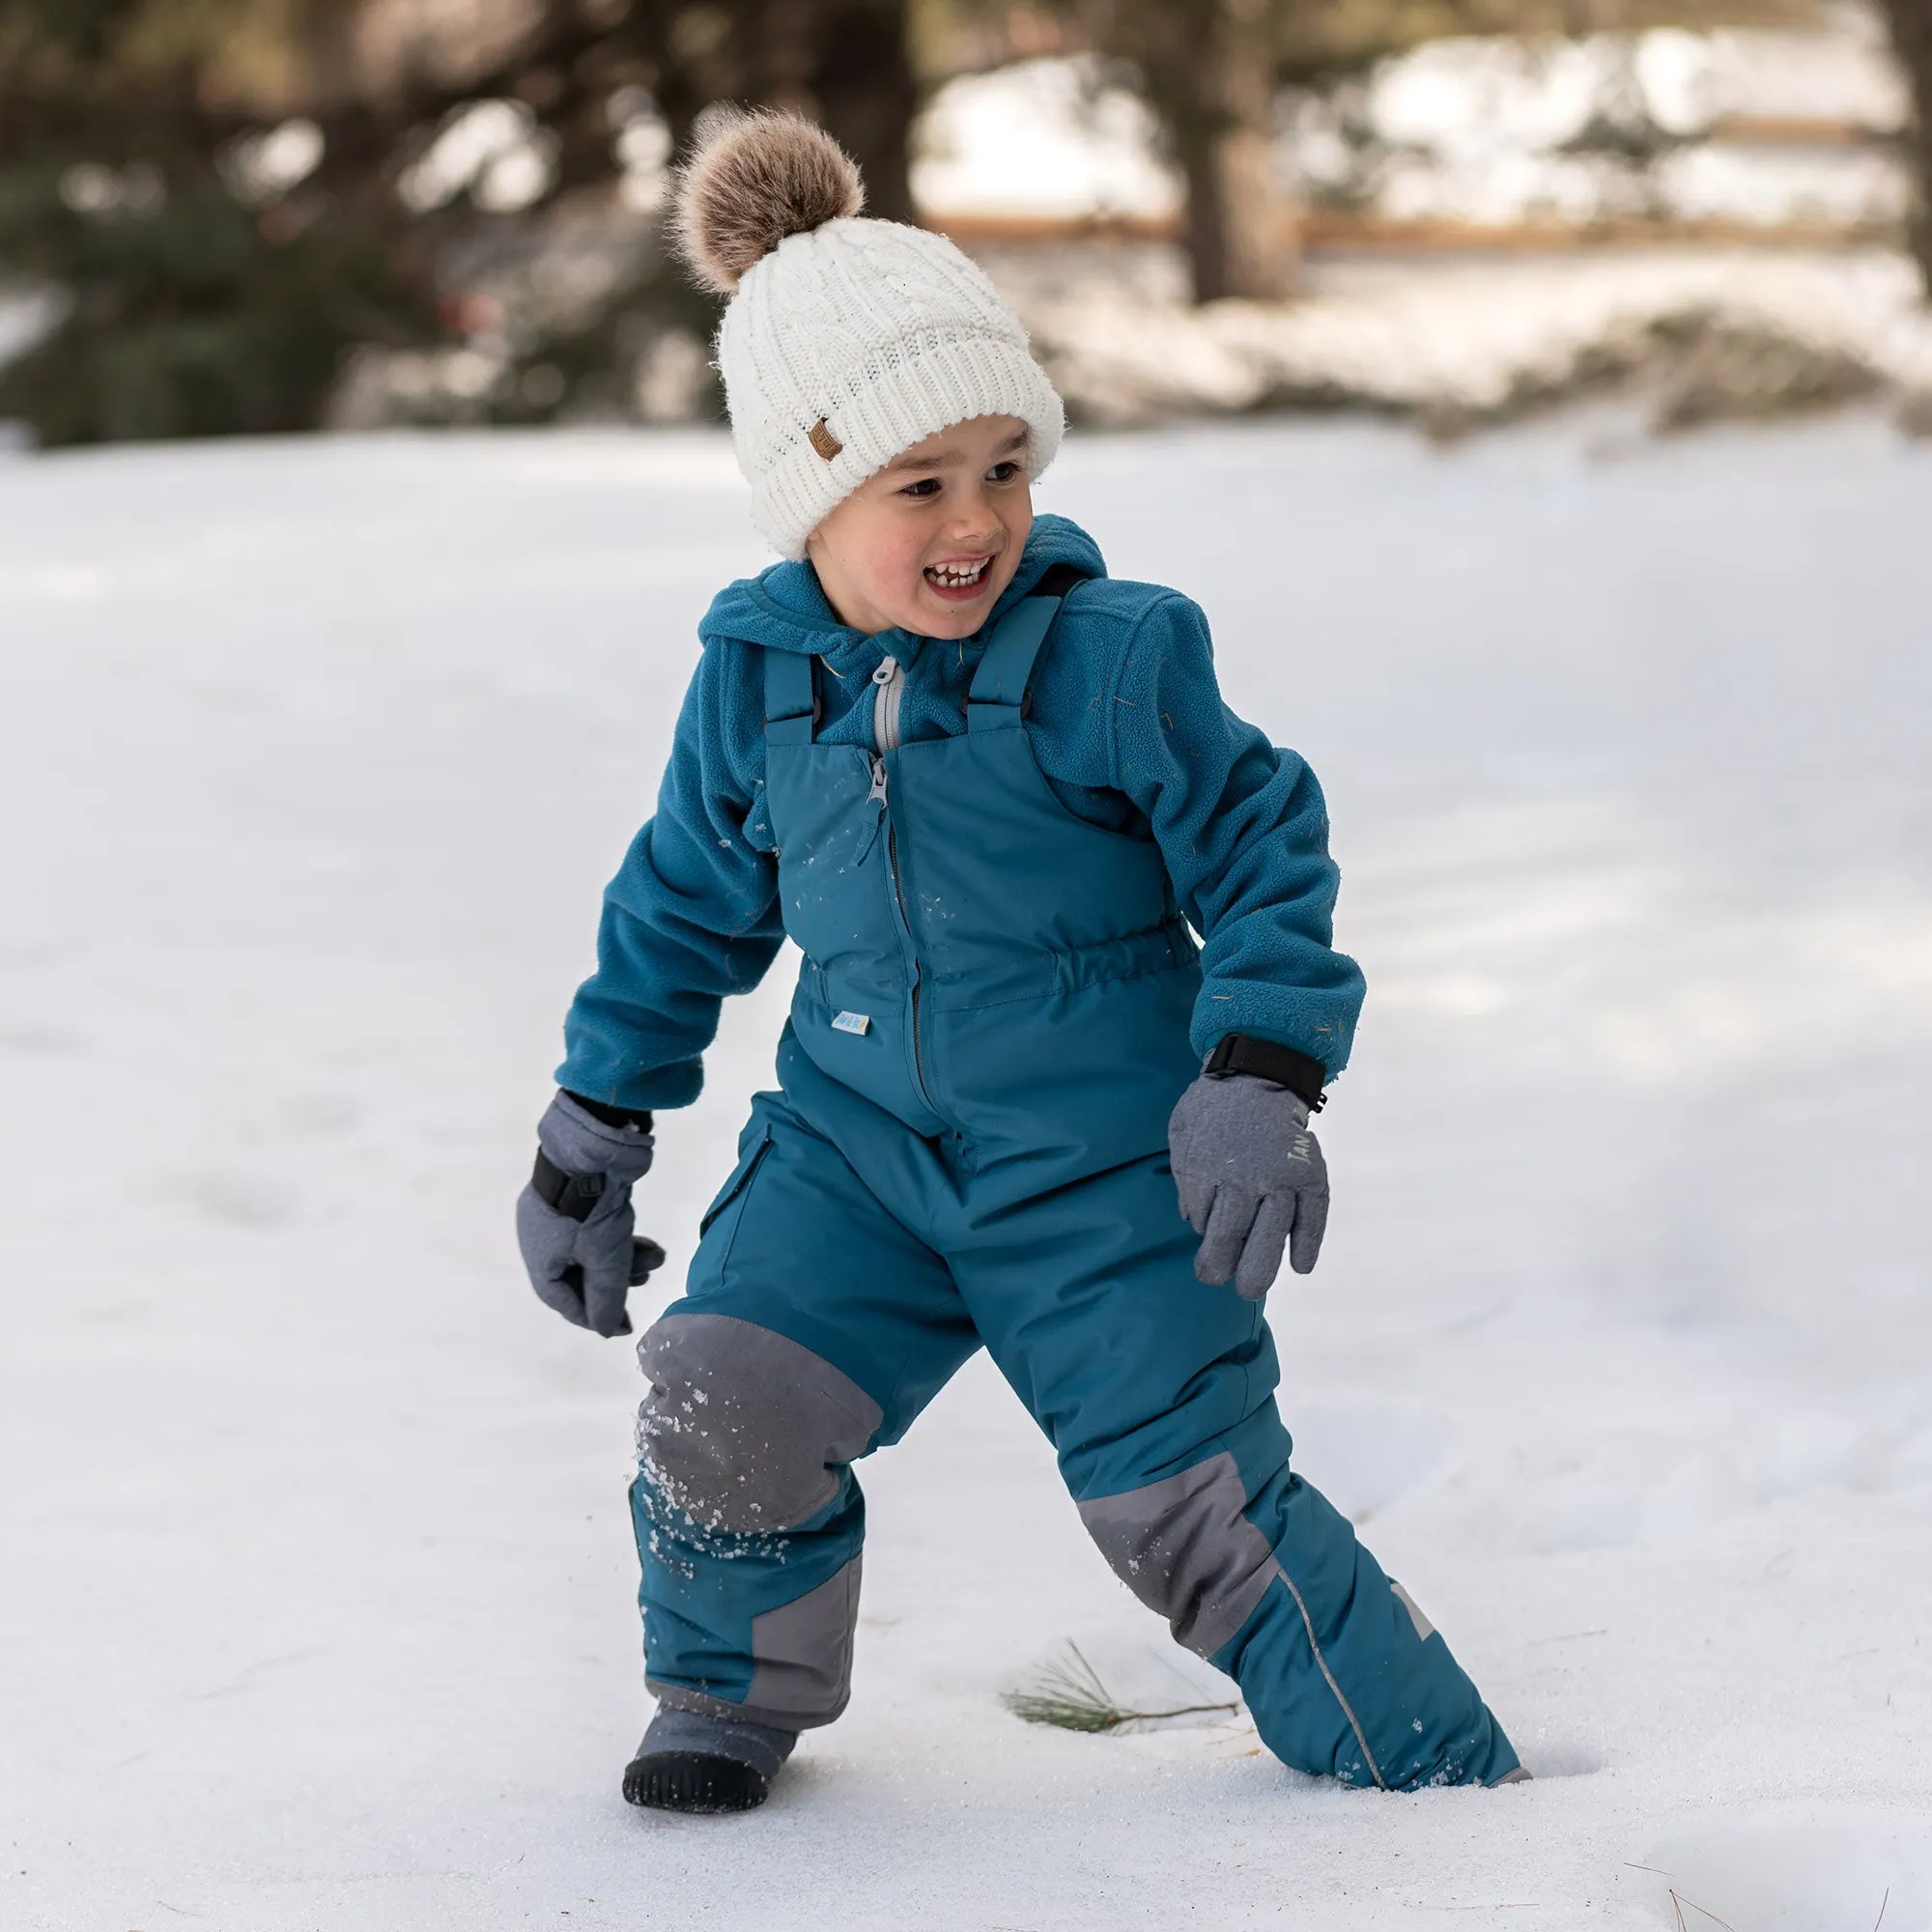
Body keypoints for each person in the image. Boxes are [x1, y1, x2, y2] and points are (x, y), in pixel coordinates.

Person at [516, 109, 1524, 1814]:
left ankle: (1432, 1777)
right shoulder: (758, 686)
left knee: (1183, 1502)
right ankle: (725, 1692)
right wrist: (590, 1127)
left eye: (1006, 466)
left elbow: (1267, 845)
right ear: (812, 506)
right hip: (855, 1160)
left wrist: (1259, 1072)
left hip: (1109, 1171)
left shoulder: (1117, 660)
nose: (975, 519)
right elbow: (682, 906)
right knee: (721, 1389)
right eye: (920, 486)